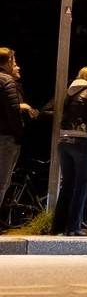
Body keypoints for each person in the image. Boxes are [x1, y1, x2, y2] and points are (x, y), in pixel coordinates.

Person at [51, 67, 87, 236]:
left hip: (64, 139)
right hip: (82, 140)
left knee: (67, 183)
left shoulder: (69, 91)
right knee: (81, 185)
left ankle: (57, 226)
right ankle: (74, 227)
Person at [0, 48, 36, 218]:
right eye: (14, 62)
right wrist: (19, 134)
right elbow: (12, 111)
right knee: (2, 181)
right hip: (6, 137)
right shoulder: (7, 81)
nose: (17, 66)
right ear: (7, 62)